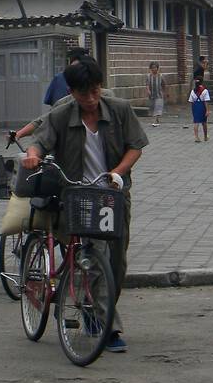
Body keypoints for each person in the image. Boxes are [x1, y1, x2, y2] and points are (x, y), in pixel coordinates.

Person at [23, 58, 147, 354]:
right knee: (93, 256)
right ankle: (109, 328)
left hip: (113, 196)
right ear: (72, 91)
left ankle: (93, 310)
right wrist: (31, 154)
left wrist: (117, 173)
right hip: (78, 196)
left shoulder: (119, 109)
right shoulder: (61, 114)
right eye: (83, 94)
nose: (91, 100)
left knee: (116, 264)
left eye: (95, 91)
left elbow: (136, 146)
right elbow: (39, 142)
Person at [190, 78, 210, 142]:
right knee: (204, 122)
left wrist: (193, 109)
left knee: (196, 122)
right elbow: (206, 101)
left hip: (195, 106)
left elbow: (191, 101)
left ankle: (196, 137)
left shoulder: (193, 91)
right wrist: (207, 110)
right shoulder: (205, 91)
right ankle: (205, 136)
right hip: (202, 106)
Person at [146, 61, 166, 127]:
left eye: (155, 67)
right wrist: (148, 90)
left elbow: (164, 85)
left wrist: (164, 92)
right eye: (152, 68)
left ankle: (155, 121)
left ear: (157, 68)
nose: (153, 69)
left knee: (158, 107)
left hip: (159, 95)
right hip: (151, 95)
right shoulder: (148, 76)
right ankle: (156, 119)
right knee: (153, 107)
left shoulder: (161, 76)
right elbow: (147, 84)